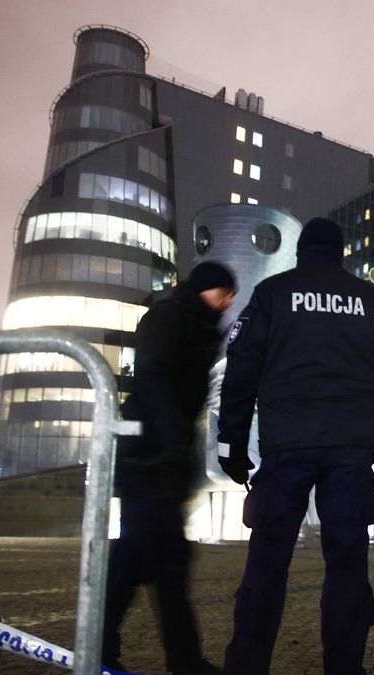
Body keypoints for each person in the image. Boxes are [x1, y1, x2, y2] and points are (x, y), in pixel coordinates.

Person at [216, 216, 374, 675]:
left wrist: (232, 446)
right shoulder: (372, 302)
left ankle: (246, 666)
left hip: (287, 446)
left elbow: (240, 371)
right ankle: (344, 668)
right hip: (350, 451)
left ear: (302, 251)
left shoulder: (273, 294)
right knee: (347, 565)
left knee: (267, 563)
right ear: (340, 253)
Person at [103, 261, 237, 675]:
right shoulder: (169, 318)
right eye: (224, 292)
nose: (228, 300)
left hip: (164, 460)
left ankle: (121, 648)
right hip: (149, 459)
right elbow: (154, 380)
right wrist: (175, 440)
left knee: (154, 562)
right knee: (152, 562)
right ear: (205, 289)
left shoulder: (199, 326)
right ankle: (176, 659)